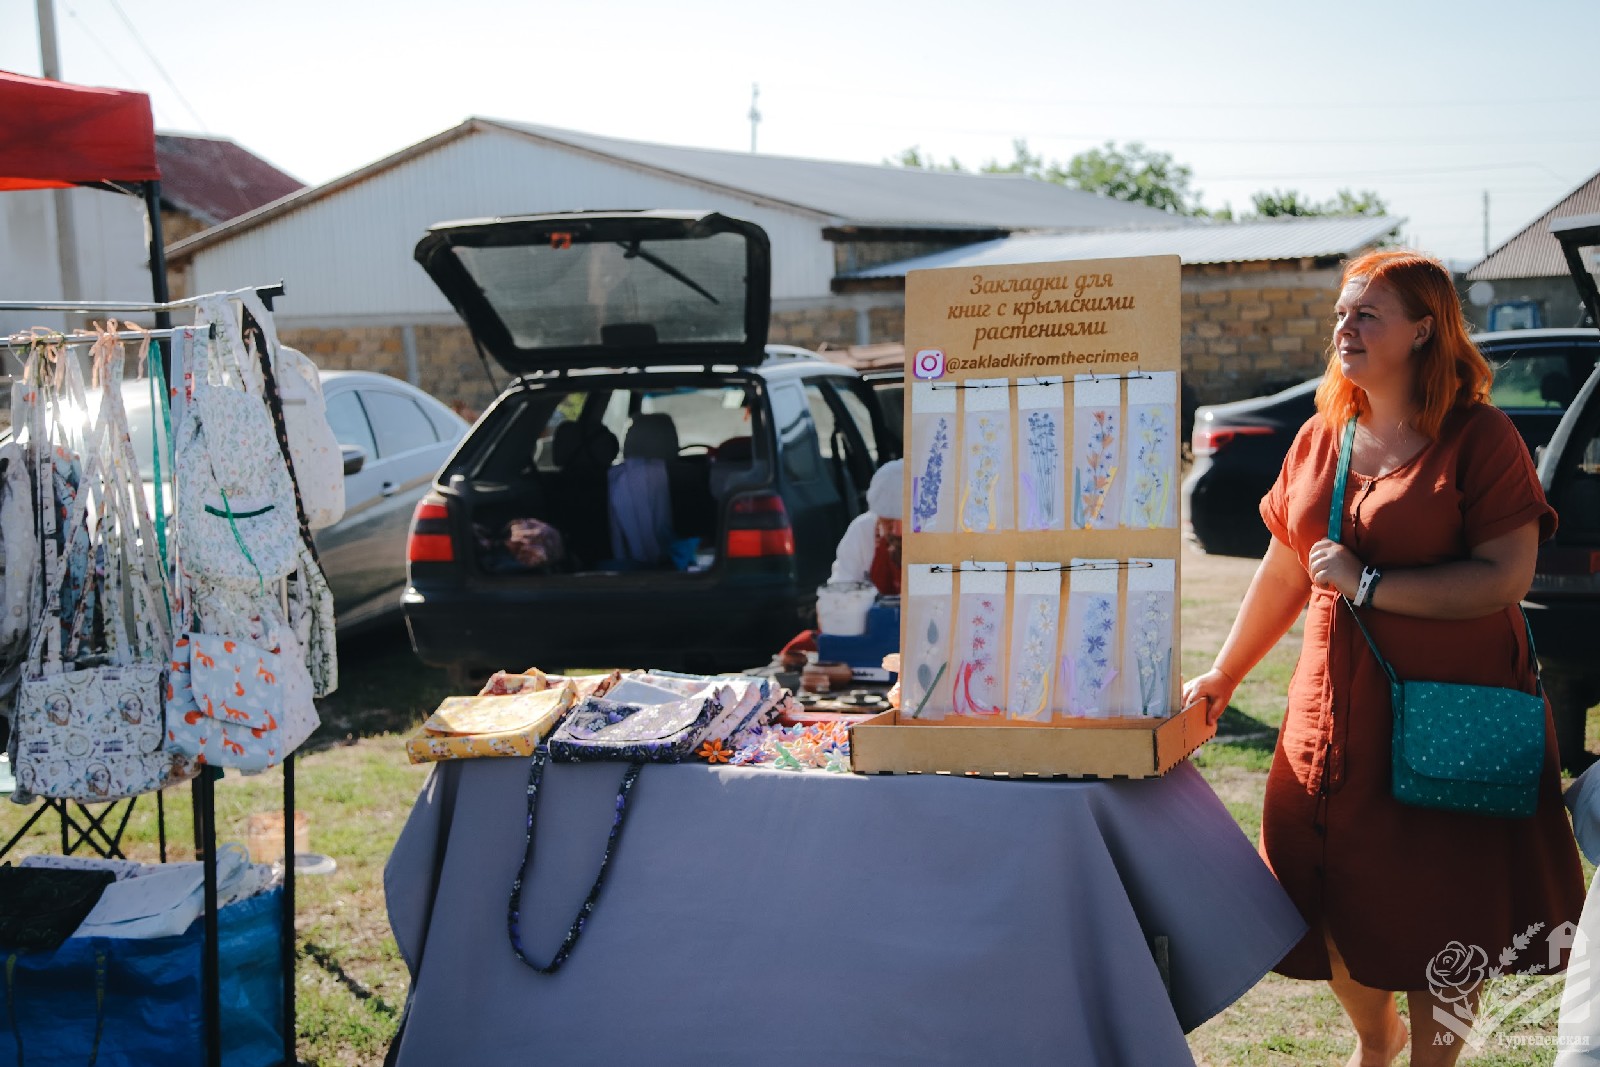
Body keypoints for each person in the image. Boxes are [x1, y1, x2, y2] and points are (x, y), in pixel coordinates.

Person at [1182, 250, 1584, 1067]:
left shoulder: (1480, 436)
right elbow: (1286, 569)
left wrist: (1370, 584)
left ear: (1425, 329)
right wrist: (1225, 672)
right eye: (1342, 312)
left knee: (1446, 910)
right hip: (1330, 718)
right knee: (1319, 892)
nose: (1346, 327)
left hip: (1452, 715)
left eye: (1368, 314)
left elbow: (1506, 576)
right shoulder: (1319, 436)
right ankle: (1378, 1037)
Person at [828, 459, 903, 594]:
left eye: (907, 523)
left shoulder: (939, 537)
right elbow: (841, 587)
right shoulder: (862, 531)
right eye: (889, 523)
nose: (897, 531)